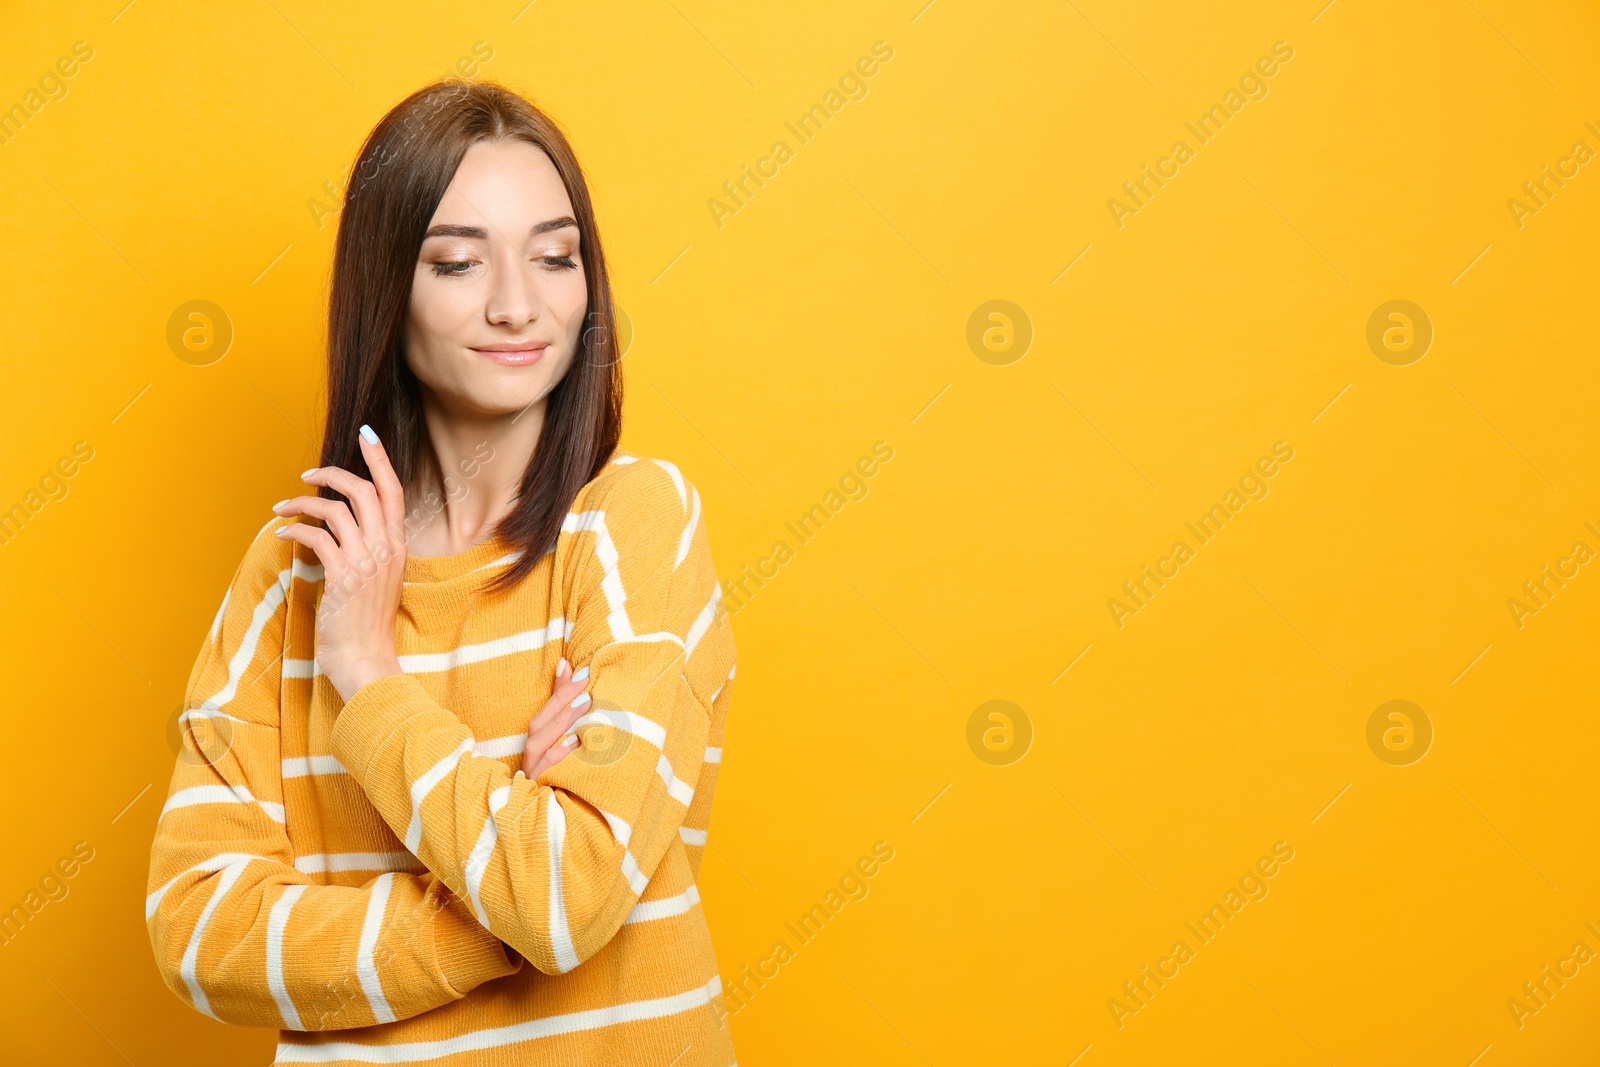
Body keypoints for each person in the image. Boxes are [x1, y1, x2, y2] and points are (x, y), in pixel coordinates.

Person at [144, 78, 737, 1065]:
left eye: (556, 256)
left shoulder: (633, 523)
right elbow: (199, 930)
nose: (518, 305)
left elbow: (566, 895)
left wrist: (368, 673)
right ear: (387, 289)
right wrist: (504, 890)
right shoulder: (295, 572)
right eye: (459, 263)